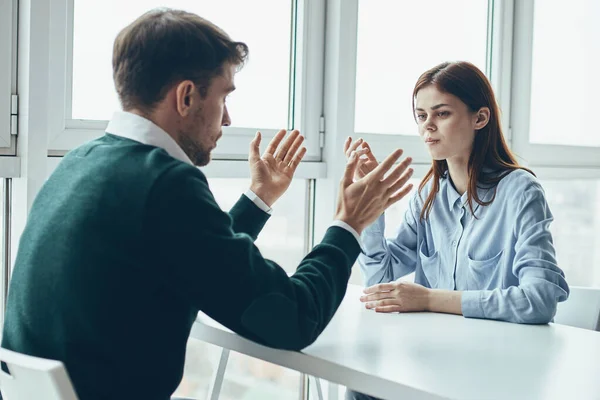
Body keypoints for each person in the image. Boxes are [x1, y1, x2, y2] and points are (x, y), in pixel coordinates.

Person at [0, 9, 414, 400]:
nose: (228, 119)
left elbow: (192, 258)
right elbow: (292, 318)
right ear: (186, 97)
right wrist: (349, 223)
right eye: (223, 96)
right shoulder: (164, 183)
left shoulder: (81, 162)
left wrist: (259, 199)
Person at [345, 61, 569, 400]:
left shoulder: (521, 192)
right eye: (421, 116)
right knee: (363, 386)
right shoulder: (428, 195)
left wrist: (429, 299)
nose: (427, 127)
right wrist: (372, 204)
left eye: (442, 114)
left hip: (495, 369)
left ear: (480, 118)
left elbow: (539, 301)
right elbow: (380, 279)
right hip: (435, 360)